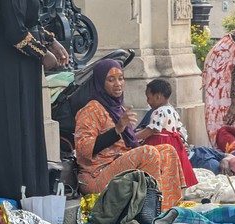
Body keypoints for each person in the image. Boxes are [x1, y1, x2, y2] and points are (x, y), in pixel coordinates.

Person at [0, 0, 69, 201]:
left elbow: (27, 20)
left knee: (23, 127)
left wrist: (50, 41)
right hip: (5, 63)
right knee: (8, 130)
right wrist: (43, 54)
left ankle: (28, 195)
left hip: (17, 63)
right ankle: (8, 196)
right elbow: (15, 31)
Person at [74, 59, 186, 211]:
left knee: (168, 151)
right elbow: (82, 150)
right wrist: (117, 130)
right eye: (111, 80)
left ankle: (167, 209)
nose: (118, 84)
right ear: (100, 83)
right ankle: (148, 211)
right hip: (96, 175)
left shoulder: (116, 107)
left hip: (119, 165)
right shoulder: (91, 110)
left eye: (120, 78)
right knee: (147, 152)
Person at [136, 78, 198, 187]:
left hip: (161, 143)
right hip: (174, 144)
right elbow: (179, 130)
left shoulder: (158, 111)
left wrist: (134, 136)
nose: (148, 101)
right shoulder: (172, 111)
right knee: (172, 171)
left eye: (148, 98)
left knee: (159, 170)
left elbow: (152, 129)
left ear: (157, 97)